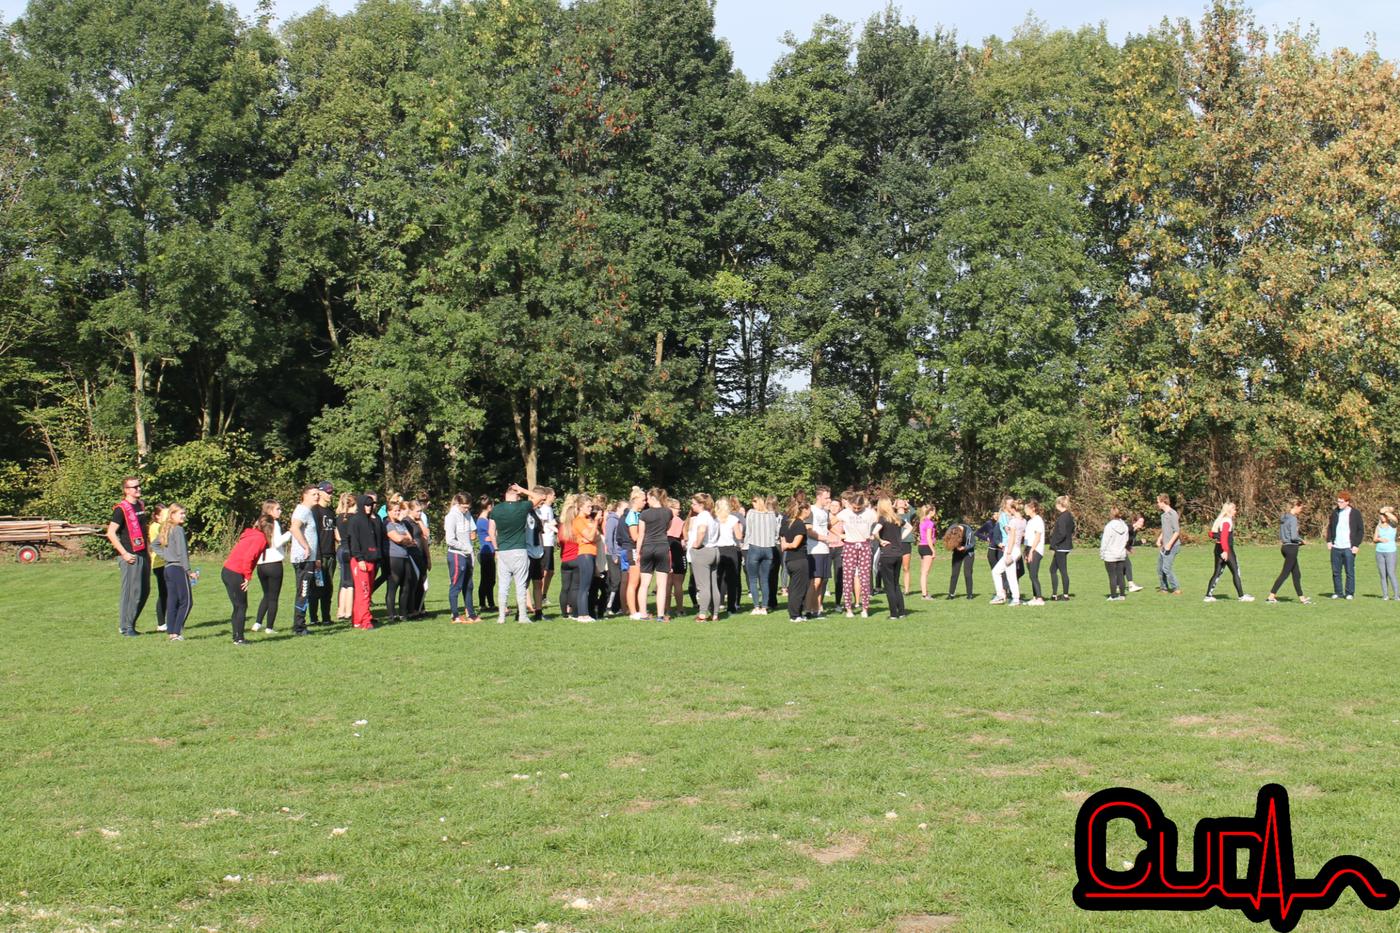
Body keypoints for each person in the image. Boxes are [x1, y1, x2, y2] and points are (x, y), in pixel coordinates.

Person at [105, 476, 151, 637]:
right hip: (131, 556)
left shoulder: (140, 505)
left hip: (143, 553)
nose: (138, 489)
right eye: (134, 487)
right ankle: (125, 627)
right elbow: (111, 533)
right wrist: (124, 553)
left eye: (139, 486)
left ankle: (131, 623)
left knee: (144, 591)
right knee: (132, 592)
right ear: (126, 490)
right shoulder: (121, 509)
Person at [493, 483, 541, 624]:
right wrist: (523, 489)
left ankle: (501, 617)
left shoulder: (496, 509)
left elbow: (492, 530)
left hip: (503, 551)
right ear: (517, 495)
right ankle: (523, 616)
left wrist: (496, 548)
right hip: (519, 549)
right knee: (520, 585)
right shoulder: (522, 507)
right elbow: (539, 497)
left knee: (503, 585)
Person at [150, 504, 194, 641]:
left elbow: (154, 545)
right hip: (178, 568)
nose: (183, 516)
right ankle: (176, 632)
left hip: (168, 569)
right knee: (187, 602)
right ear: (172, 514)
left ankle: (171, 632)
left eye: (184, 513)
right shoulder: (178, 529)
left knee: (172, 601)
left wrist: (166, 556)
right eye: (181, 513)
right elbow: (182, 553)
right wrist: (188, 571)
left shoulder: (166, 528)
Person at [222, 520, 269, 644]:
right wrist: (247, 577)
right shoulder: (260, 538)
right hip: (235, 572)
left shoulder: (251, 534)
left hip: (228, 571)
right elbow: (249, 557)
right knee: (241, 606)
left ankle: (236, 636)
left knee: (237, 606)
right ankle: (239, 638)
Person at [252, 500, 291, 633]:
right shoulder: (274, 523)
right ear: (269, 511)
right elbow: (277, 542)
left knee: (266, 595)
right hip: (274, 563)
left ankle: (257, 623)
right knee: (273, 597)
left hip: (261, 564)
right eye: (277, 509)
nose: (280, 511)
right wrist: (290, 533)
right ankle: (269, 627)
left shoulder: (258, 523)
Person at [835, 493, 876, 617]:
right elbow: (829, 524)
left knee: (865, 577)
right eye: (855, 508)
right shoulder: (845, 513)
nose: (857, 510)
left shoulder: (870, 513)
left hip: (864, 545)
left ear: (863, 505)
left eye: (859, 508)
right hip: (849, 545)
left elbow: (880, 522)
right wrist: (839, 534)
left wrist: (873, 534)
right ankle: (848, 608)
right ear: (850, 504)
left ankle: (865, 608)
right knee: (848, 578)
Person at [288, 486, 321, 636]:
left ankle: (299, 624)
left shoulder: (308, 511)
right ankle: (299, 627)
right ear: (304, 495)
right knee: (304, 591)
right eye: (313, 494)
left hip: (309, 559)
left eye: (318, 494)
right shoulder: (303, 510)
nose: (317, 496)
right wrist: (306, 546)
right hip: (303, 559)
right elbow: (294, 528)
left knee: (303, 591)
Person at [637, 488, 673, 621]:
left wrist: (638, 552)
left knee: (644, 584)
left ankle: (643, 614)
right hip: (662, 547)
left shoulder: (644, 514)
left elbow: (641, 535)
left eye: (648, 499)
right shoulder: (668, 512)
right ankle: (660, 615)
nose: (647, 501)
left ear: (653, 498)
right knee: (662, 584)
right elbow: (668, 527)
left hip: (647, 548)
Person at [1205, 502, 1253, 602]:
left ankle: (1208, 596)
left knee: (1217, 573)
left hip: (1218, 548)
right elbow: (1224, 537)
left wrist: (1219, 541)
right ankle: (1241, 596)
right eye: (1234, 509)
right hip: (1226, 549)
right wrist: (1226, 551)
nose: (1236, 511)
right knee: (1236, 572)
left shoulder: (1220, 519)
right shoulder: (1227, 521)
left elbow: (1211, 534)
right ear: (1230, 511)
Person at [346, 494, 380, 630]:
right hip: (360, 561)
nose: (369, 507)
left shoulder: (370, 521)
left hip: (371, 560)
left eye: (371, 505)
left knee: (366, 592)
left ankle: (357, 620)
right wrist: (359, 559)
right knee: (364, 592)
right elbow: (353, 541)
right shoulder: (355, 520)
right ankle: (366, 621)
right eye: (366, 505)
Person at [1267, 498, 1310, 605]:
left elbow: (1283, 535)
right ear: (1296, 506)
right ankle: (1271, 596)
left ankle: (1302, 598)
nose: (1301, 510)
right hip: (1291, 549)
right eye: (1300, 508)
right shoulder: (1293, 519)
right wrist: (1302, 541)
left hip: (1285, 547)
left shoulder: (1284, 517)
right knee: (1285, 573)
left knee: (1296, 574)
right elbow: (1294, 537)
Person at [445, 493, 479, 624]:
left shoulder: (467, 514)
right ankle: (455, 615)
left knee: (469, 585)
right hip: (456, 554)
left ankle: (471, 614)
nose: (466, 510)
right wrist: (464, 547)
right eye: (464, 507)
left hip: (468, 554)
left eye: (468, 507)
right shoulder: (451, 517)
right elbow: (450, 540)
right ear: (458, 504)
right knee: (456, 585)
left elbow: (472, 531)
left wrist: (470, 549)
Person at [688, 493, 721, 621]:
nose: (692, 506)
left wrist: (696, 544)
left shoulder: (702, 516)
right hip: (714, 550)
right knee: (714, 585)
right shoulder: (714, 516)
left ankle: (702, 614)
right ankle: (715, 614)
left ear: (701, 504)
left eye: (694, 504)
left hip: (703, 551)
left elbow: (702, 530)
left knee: (703, 586)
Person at [743, 495, 778, 615]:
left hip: (755, 547)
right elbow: (775, 532)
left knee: (753, 579)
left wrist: (745, 546)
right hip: (768, 548)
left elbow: (748, 531)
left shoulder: (751, 513)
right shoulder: (772, 514)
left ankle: (756, 606)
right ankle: (764, 607)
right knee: (764, 579)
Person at [1326, 491, 1363, 600]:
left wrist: (1356, 545)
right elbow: (1330, 527)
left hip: (1348, 547)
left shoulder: (1355, 513)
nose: (1339, 504)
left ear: (1347, 502)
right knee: (1336, 572)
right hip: (1336, 547)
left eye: (1341, 502)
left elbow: (1360, 530)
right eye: (1338, 502)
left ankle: (1349, 593)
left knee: (1349, 571)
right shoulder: (1335, 512)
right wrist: (1329, 541)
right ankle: (1338, 592)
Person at [874, 498, 907, 618]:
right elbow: (909, 527)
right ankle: (902, 612)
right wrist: (900, 538)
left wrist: (880, 540)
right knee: (896, 584)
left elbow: (874, 532)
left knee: (889, 586)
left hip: (887, 554)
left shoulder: (883, 519)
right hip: (898, 554)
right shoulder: (897, 518)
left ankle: (893, 613)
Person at [383, 501, 415, 622]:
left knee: (406, 585)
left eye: (398, 510)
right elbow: (398, 539)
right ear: (389, 512)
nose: (397, 512)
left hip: (405, 556)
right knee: (393, 585)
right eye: (395, 510)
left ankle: (403, 613)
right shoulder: (387, 524)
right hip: (393, 557)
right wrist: (404, 539)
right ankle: (391, 614)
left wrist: (404, 539)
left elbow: (410, 538)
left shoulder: (401, 523)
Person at [780, 499, 812, 621]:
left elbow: (783, 541)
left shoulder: (787, 523)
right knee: (799, 589)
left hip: (789, 560)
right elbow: (794, 544)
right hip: (799, 560)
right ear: (804, 510)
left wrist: (785, 545)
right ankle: (795, 615)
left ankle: (797, 613)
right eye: (809, 509)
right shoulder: (799, 524)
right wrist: (788, 545)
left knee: (794, 588)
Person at [571, 497, 602, 623]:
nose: (591, 509)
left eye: (591, 506)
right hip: (584, 554)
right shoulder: (578, 521)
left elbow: (597, 537)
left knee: (588, 585)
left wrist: (590, 536)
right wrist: (595, 523)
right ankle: (582, 614)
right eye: (588, 506)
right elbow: (590, 536)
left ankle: (585, 613)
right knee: (584, 585)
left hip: (592, 552)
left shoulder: (588, 519)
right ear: (580, 507)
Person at [311, 484, 338, 625]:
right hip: (319, 556)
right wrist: (317, 557)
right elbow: (313, 535)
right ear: (320, 493)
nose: (330, 495)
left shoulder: (330, 511)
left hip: (331, 554)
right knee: (317, 587)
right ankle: (314, 618)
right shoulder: (315, 511)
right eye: (328, 492)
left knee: (328, 587)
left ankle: (326, 617)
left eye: (331, 492)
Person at [990, 498, 1024, 606]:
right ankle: (1002, 596)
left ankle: (1013, 598)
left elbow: (1011, 536)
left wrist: (1008, 552)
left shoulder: (1013, 521)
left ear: (1013, 508)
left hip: (1011, 548)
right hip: (1016, 548)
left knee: (1010, 575)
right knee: (997, 571)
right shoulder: (1023, 520)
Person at [805, 487, 833, 617]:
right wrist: (825, 538)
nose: (828, 500)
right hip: (814, 550)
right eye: (826, 497)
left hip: (825, 549)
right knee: (814, 581)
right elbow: (809, 531)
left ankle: (817, 609)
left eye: (829, 497)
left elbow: (828, 528)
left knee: (822, 581)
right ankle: (808, 609)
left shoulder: (825, 512)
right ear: (818, 497)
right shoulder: (811, 510)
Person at [714, 497, 743, 614]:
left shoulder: (714, 519)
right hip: (730, 550)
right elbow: (739, 536)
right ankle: (731, 606)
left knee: (718, 578)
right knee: (732, 580)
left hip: (717, 549)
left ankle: (717, 604)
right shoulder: (733, 519)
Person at [1047, 496, 1075, 601]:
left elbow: (1062, 533)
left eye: (1056, 503)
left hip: (1061, 547)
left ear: (1060, 504)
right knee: (1052, 569)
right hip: (1065, 546)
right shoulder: (1069, 515)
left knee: (1063, 571)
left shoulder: (1063, 517)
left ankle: (1065, 595)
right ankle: (1054, 594)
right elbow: (1072, 528)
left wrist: (1054, 543)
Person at [335, 493, 357, 621]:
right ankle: (349, 611)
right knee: (351, 583)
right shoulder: (354, 518)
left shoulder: (339, 517)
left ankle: (341, 610)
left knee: (344, 582)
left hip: (341, 549)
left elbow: (338, 536)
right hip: (350, 550)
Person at [1155, 494, 1182, 595]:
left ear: (1163, 502)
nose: (1157, 504)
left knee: (1166, 568)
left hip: (1173, 546)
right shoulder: (1163, 516)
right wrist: (1159, 539)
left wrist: (1169, 544)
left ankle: (1176, 588)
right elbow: (1165, 530)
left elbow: (1177, 531)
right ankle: (1164, 588)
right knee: (1159, 568)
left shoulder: (1173, 514)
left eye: (1158, 502)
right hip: (1164, 546)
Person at [1101, 507, 1130, 600]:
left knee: (1112, 576)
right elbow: (1126, 539)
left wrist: (1102, 553)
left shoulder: (1109, 526)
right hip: (1121, 554)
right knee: (1120, 575)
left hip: (1110, 554)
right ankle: (1122, 595)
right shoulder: (1124, 526)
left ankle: (1113, 595)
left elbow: (1105, 541)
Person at [666, 498, 688, 618]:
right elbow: (685, 537)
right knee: (678, 582)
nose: (679, 510)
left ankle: (667, 609)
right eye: (677, 508)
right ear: (670, 508)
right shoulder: (679, 521)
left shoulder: (664, 520)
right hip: (677, 548)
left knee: (668, 582)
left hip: (666, 547)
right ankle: (680, 609)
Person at [536, 487, 558, 610]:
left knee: (550, 571)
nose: (555, 497)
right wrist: (557, 530)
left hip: (550, 542)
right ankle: (540, 596)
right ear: (548, 496)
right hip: (545, 542)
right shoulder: (544, 509)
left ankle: (543, 595)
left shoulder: (549, 509)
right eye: (553, 495)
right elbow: (544, 524)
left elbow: (552, 522)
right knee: (545, 571)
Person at [149, 504, 169, 632]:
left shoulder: (162, 526)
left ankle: (167, 621)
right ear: (157, 516)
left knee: (168, 593)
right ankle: (161, 624)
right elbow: (160, 543)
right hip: (159, 564)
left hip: (165, 563)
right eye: (164, 515)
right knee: (164, 593)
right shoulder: (156, 527)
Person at [475, 497, 497, 614]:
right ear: (489, 507)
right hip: (486, 553)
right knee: (486, 580)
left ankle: (491, 603)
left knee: (491, 580)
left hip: (490, 552)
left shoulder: (485, 520)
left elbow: (492, 536)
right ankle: (483, 604)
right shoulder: (483, 521)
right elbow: (492, 535)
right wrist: (493, 536)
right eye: (492, 505)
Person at [943, 521, 976, 599]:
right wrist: (955, 546)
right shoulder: (952, 529)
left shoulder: (969, 531)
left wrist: (965, 547)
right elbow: (947, 539)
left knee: (967, 573)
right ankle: (951, 594)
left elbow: (973, 543)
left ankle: (969, 595)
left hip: (968, 553)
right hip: (957, 552)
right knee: (954, 573)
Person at [1022, 499, 1046, 606]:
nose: (1025, 510)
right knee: (1031, 575)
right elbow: (1028, 536)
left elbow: (1037, 537)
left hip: (1036, 550)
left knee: (1033, 575)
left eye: (1027, 508)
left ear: (1033, 508)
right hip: (1029, 549)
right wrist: (1026, 551)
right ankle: (1035, 597)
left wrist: (1031, 551)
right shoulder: (1030, 521)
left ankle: (1040, 598)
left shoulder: (1038, 520)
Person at [1375, 507, 1399, 601]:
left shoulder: (1393, 525)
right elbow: (1374, 539)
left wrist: (1385, 511)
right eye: (1381, 515)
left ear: (1387, 516)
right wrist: (1379, 539)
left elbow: (1395, 519)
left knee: (1391, 573)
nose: (1382, 517)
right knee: (1383, 575)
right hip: (1379, 552)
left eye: (1383, 515)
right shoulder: (1378, 526)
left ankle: (1396, 595)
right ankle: (1385, 595)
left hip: (1390, 552)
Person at [916, 505, 938, 599]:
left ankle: (924, 593)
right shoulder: (930, 523)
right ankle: (925, 595)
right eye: (934, 511)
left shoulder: (922, 521)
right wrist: (933, 550)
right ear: (931, 512)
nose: (935, 513)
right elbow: (929, 538)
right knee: (925, 573)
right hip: (927, 547)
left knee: (923, 572)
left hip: (921, 547)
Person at [1123, 514, 1146, 593]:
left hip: (1123, 550)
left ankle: (1117, 585)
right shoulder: (1129, 528)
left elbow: (1130, 542)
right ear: (1135, 521)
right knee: (1128, 565)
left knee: (1123, 568)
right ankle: (1131, 586)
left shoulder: (1135, 531)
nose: (1141, 523)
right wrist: (1126, 548)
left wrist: (1140, 542)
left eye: (1142, 522)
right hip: (1119, 549)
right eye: (1140, 521)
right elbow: (1123, 537)